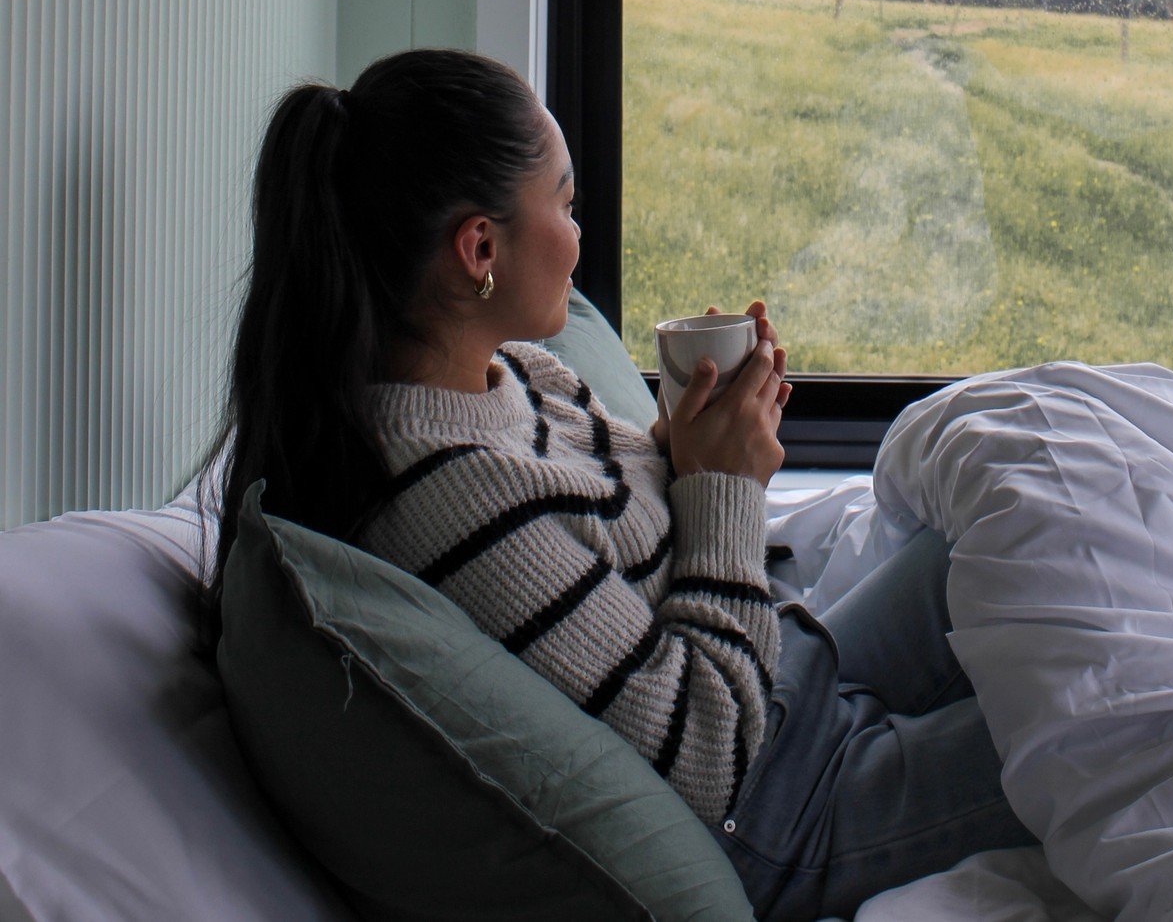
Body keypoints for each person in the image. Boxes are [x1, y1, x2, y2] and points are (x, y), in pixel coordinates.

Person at [198, 47, 1034, 922]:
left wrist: (696, 437)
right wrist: (727, 489)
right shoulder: (450, 504)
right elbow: (708, 752)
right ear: (479, 247)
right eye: (561, 200)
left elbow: (620, 522)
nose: (577, 225)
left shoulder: (512, 374)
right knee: (1129, 719)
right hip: (782, 804)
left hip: (788, 674)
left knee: (1033, 526)